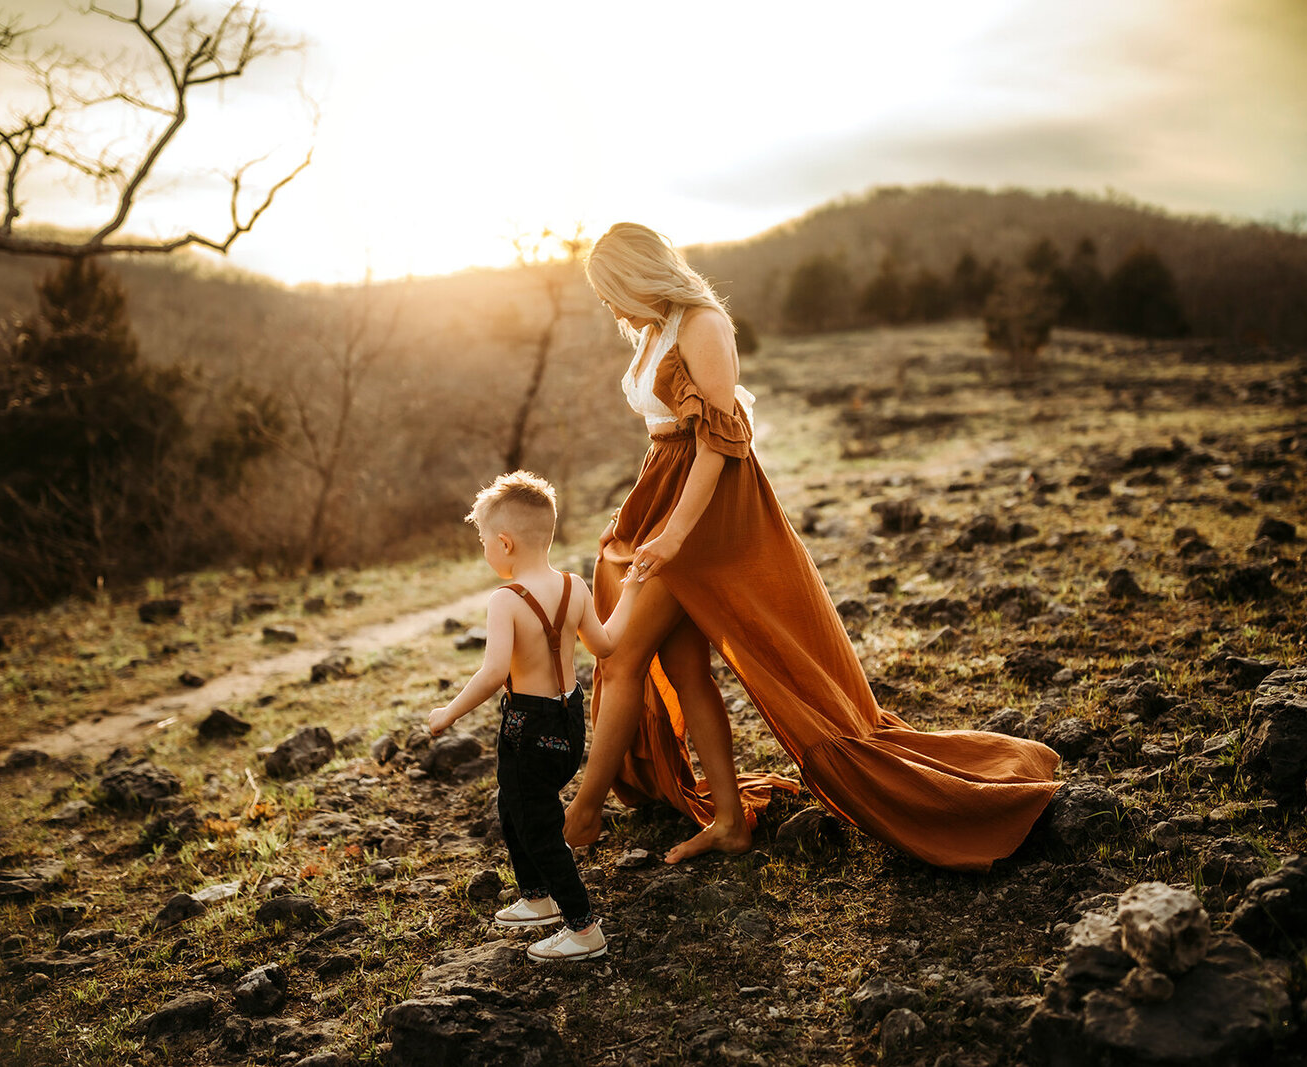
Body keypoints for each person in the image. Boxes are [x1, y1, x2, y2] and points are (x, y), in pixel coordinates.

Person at [562, 222, 1062, 870]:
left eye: (610, 294)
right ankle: (730, 822)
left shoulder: (702, 323)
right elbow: (669, 433)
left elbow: (718, 440)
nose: (610, 309)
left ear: (636, 275)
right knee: (684, 669)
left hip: (708, 512)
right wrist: (649, 503)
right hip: (668, 489)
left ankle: (580, 816)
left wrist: (676, 529)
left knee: (623, 657)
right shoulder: (657, 327)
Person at [428, 470, 642, 961]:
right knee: (515, 805)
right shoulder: (574, 586)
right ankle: (536, 898)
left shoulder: (505, 601)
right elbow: (605, 644)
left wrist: (449, 713)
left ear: (503, 543)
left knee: (539, 827)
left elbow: (491, 673)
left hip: (527, 727)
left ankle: (583, 928)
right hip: (567, 722)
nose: (484, 548)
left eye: (483, 540)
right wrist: (630, 591)